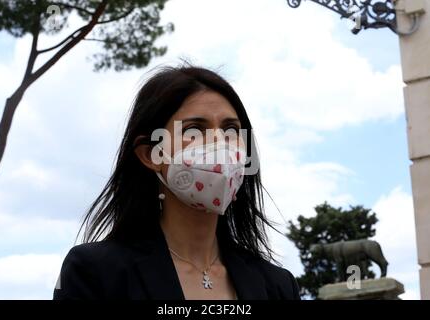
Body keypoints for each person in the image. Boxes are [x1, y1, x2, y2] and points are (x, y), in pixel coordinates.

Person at [53, 65, 300, 300]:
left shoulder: (278, 285)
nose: (220, 142)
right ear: (150, 155)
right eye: (194, 130)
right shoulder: (94, 272)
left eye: (231, 130)